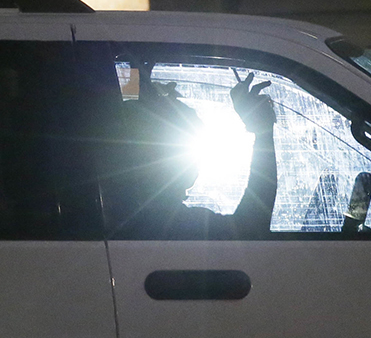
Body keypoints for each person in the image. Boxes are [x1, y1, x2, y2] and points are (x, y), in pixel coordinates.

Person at [104, 71, 277, 239]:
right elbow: (249, 228)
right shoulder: (170, 224)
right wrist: (263, 131)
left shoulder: (110, 214)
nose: (197, 166)